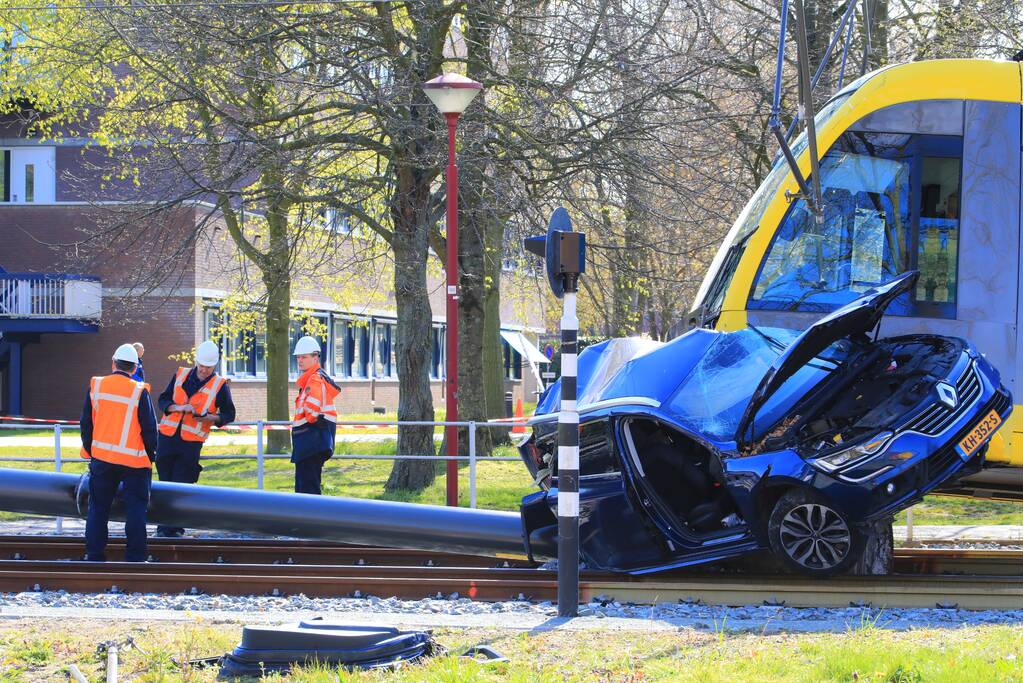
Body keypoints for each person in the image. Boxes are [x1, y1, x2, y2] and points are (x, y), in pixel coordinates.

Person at [79, 343, 158, 562]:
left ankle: (94, 555)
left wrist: (92, 450)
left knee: (98, 508)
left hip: (102, 459)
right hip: (135, 463)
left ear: (113, 363)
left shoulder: (97, 385)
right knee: (136, 510)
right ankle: (135, 557)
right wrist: (151, 456)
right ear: (134, 368)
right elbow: (150, 429)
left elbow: (86, 423)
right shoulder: (139, 391)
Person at [154, 340, 235, 537]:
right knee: (164, 484)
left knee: (181, 486)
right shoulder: (180, 375)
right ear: (196, 361)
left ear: (214, 365)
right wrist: (178, 407)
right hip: (167, 438)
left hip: (190, 443)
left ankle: (175, 529)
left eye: (209, 367)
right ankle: (163, 528)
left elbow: (229, 414)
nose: (204, 370)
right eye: (202, 365)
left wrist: (211, 418)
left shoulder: (219, 385)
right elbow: (163, 400)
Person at [291, 336, 341, 494]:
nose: (300, 360)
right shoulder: (312, 380)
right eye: (298, 357)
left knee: (307, 491)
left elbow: (311, 413)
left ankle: (311, 512)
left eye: (304, 357)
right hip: (311, 443)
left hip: (310, 442)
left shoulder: (314, 380)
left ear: (315, 357)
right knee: (306, 489)